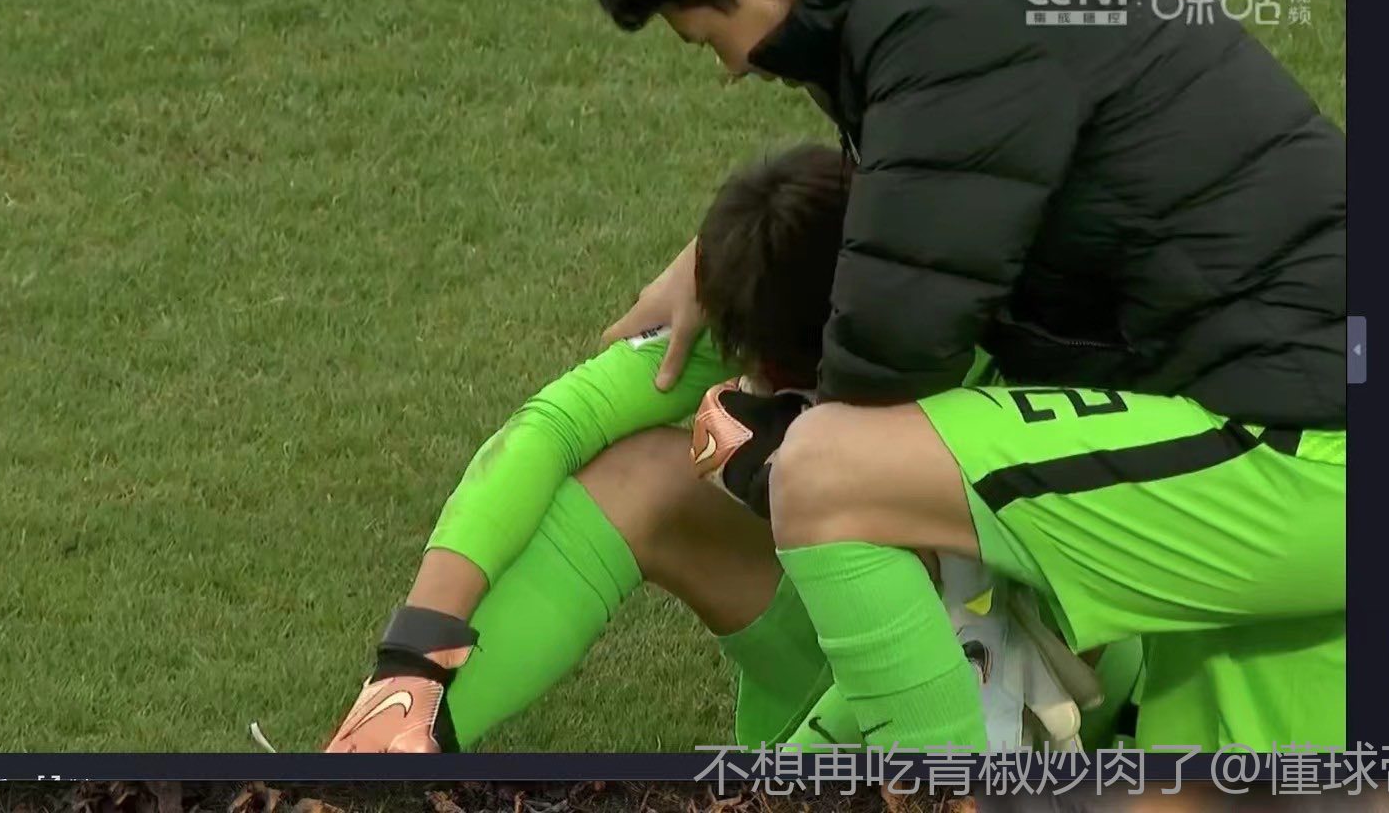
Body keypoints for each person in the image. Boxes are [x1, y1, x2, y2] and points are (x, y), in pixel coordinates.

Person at [589, 0, 1346, 750]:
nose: (732, 70)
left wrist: (765, 451)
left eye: (711, 41)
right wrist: (709, 259)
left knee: (824, 470)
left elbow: (897, 347)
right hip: (1302, 392)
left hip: (1298, 437)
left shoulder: (939, 17)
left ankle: (949, 786)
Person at [312, 146, 1133, 755]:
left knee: (884, 514)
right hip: (864, 655)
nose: (749, 377)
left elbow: (1008, 629)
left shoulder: (1028, 344)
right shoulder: (781, 280)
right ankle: (386, 754)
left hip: (1043, 692)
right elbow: (554, 423)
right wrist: (413, 656)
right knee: (641, 476)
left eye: (767, 371)